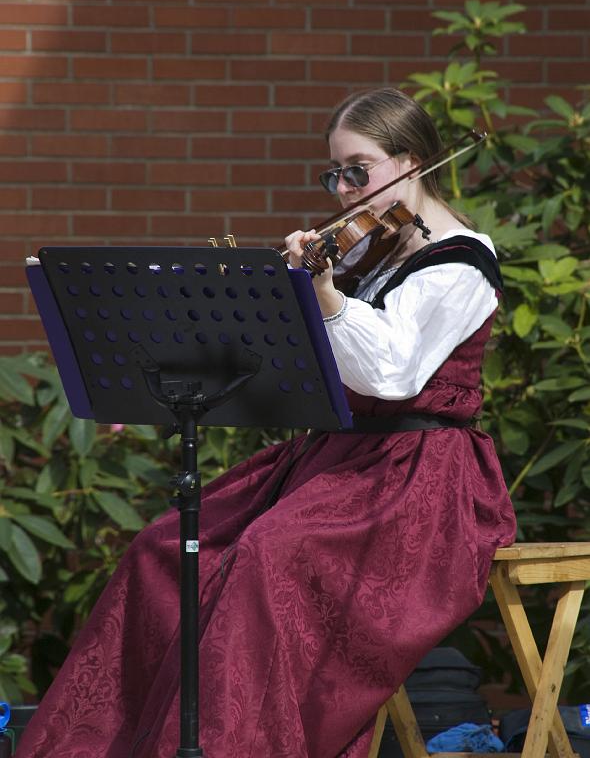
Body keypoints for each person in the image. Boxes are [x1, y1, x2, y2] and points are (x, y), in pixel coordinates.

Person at [17, 87, 516, 758]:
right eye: (333, 174)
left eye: (357, 170)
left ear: (410, 163)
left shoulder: (460, 262)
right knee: (167, 550)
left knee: (264, 555)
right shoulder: (367, 254)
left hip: (416, 478)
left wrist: (324, 292)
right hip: (333, 464)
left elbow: (393, 374)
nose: (343, 190)